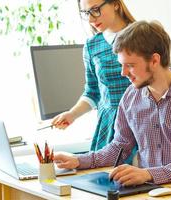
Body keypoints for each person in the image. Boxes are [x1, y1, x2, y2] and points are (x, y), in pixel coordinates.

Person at [54, 20, 171, 186]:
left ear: (154, 60)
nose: (123, 73)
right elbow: (119, 147)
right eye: (122, 65)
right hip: (153, 189)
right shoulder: (131, 96)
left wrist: (147, 174)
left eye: (130, 66)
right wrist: (78, 161)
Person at [52, 0, 135, 151]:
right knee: (103, 174)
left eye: (95, 10)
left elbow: (159, 84)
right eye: (86, 13)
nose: (91, 19)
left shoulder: (142, 35)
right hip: (109, 126)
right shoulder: (91, 46)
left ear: (115, 4)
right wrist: (72, 114)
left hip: (140, 122)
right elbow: (92, 92)